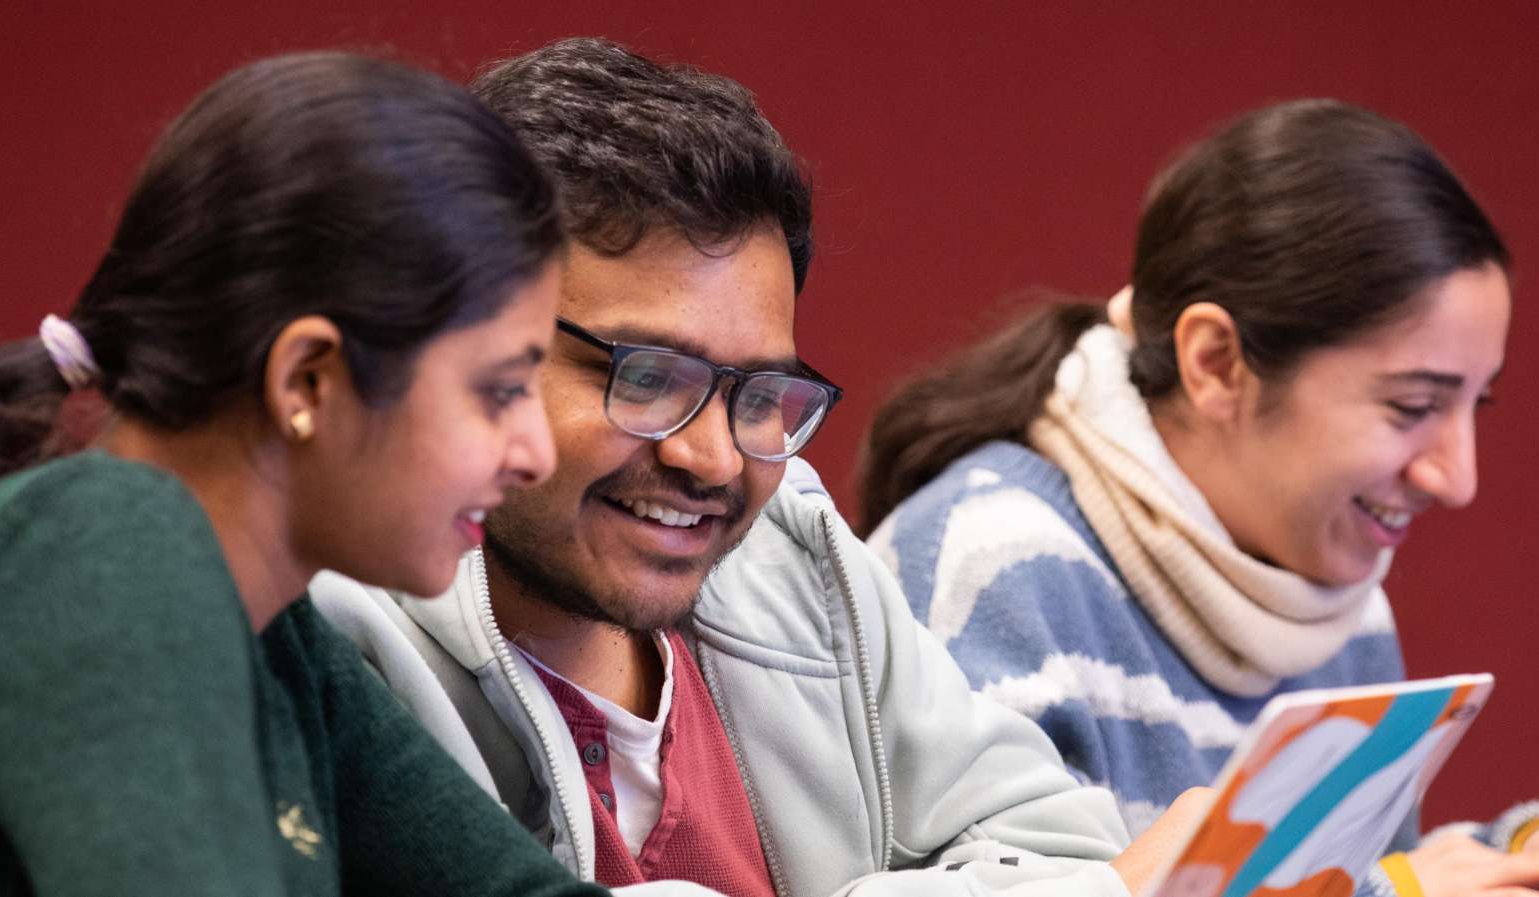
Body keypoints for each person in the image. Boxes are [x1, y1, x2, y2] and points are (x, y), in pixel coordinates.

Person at [0, 52, 615, 897]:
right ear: (309, 376)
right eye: (498, 389)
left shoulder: (272, 631)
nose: (532, 451)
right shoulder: (100, 551)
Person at [309, 37, 1218, 897]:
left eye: (757, 396)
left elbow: (1065, 846)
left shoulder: (793, 550)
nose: (710, 457)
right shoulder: (335, 630)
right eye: (648, 377)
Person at [857, 99, 1539, 897]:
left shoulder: (1337, 593)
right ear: (1215, 362)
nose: (1457, 478)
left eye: (1477, 403)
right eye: (1412, 406)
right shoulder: (988, 563)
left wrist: (1530, 859)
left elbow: (1348, 877)